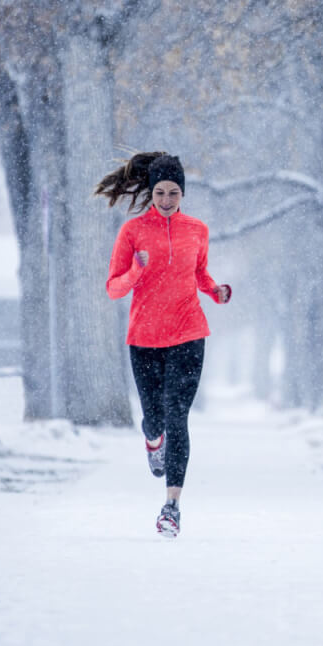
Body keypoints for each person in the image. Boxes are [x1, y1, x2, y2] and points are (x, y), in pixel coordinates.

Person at [96, 152, 231, 538]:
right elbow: (113, 287)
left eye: (174, 192)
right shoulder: (134, 232)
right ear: (151, 192)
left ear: (183, 193)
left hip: (189, 334)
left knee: (177, 416)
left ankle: (171, 506)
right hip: (145, 337)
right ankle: (151, 439)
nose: (167, 199)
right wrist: (137, 270)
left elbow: (200, 273)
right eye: (160, 192)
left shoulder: (197, 230)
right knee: (155, 418)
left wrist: (216, 291)